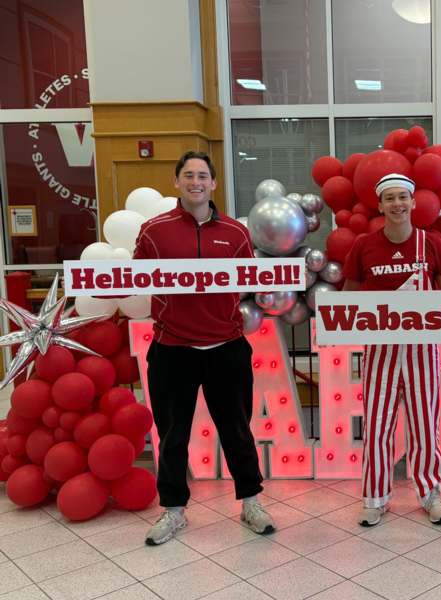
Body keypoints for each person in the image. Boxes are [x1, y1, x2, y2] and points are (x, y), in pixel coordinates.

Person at [134, 150, 274, 545]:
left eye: (203, 176)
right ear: (177, 181)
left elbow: (251, 281)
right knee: (172, 434)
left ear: (214, 184)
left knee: (237, 430)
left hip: (226, 347)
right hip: (171, 348)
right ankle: (173, 511)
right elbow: (135, 277)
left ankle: (251, 502)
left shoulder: (235, 232)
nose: (196, 182)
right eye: (188, 175)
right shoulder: (153, 230)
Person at [342, 173, 441, 527]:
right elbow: (349, 297)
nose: (397, 204)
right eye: (389, 198)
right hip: (379, 352)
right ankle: (375, 498)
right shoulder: (363, 246)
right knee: (377, 427)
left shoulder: (431, 243)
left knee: (425, 425)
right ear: (380, 205)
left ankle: (430, 492)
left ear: (413, 202)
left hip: (423, 350)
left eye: (402, 197)